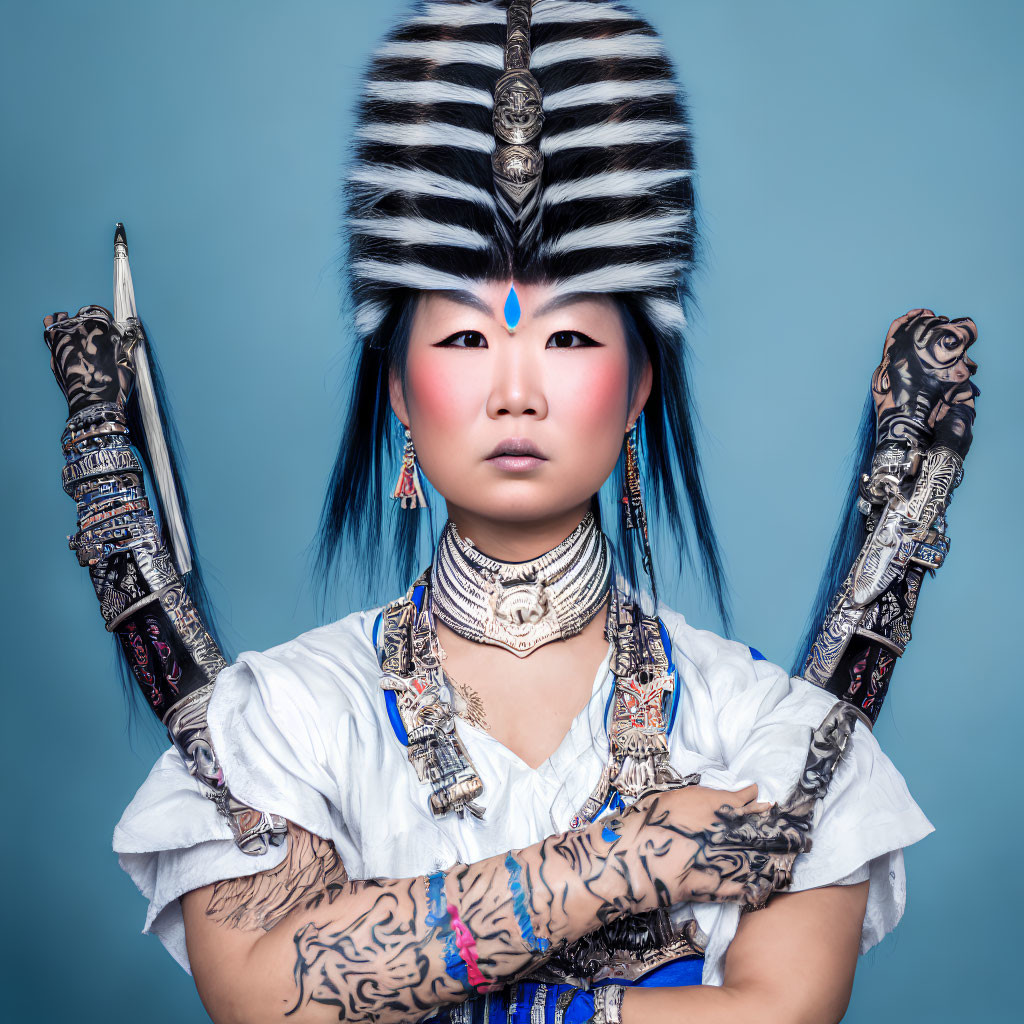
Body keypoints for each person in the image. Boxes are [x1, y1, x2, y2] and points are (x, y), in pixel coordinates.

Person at [42, 2, 978, 1022]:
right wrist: (625, 858)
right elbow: (267, 995)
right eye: (463, 341)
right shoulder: (293, 716)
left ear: (640, 389)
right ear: (396, 390)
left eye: (570, 341)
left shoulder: (762, 722)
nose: (515, 391)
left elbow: (779, 1012)